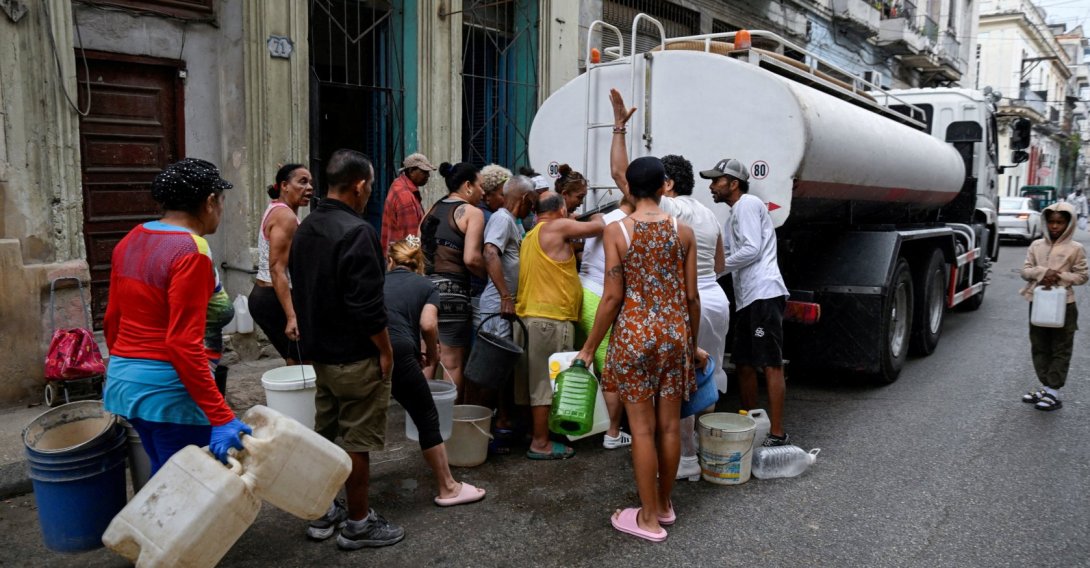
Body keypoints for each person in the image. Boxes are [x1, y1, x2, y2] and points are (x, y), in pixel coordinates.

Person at [575, 156, 705, 542]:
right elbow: (692, 297)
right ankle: (664, 506)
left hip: (633, 337)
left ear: (628, 189)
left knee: (643, 431)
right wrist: (692, 346)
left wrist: (589, 347)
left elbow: (613, 296)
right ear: (665, 185)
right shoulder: (683, 232)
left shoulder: (618, 231)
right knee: (669, 426)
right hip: (673, 336)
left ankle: (646, 519)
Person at [609, 89, 730, 478]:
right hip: (717, 300)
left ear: (668, 184)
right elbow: (721, 262)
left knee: (672, 399)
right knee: (704, 380)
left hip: (679, 310)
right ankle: (702, 455)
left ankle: (686, 463)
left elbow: (620, 177)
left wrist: (619, 129)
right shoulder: (709, 216)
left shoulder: (670, 210)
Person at [103, 158, 251, 474]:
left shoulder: (132, 237)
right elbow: (183, 343)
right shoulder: (191, 251)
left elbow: (112, 319)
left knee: (165, 479)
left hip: (125, 384)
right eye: (221, 200)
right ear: (210, 202)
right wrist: (221, 415)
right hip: (169, 391)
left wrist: (129, 368)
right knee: (188, 491)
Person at [289, 149, 403, 550]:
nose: (370, 192)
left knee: (327, 433)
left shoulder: (307, 228)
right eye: (370, 185)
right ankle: (358, 522)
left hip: (321, 354)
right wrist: (385, 350)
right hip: (355, 356)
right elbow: (367, 306)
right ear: (358, 185)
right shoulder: (357, 232)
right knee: (357, 441)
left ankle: (323, 513)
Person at [384, 236, 487, 506]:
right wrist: (432, 351)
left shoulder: (378, 283)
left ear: (390, 261)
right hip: (402, 351)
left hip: (370, 350)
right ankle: (448, 487)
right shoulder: (425, 284)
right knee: (426, 415)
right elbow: (428, 324)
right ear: (418, 263)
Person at [701, 156, 791, 446]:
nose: (712, 186)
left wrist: (719, 269)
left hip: (764, 293)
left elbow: (751, 250)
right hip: (747, 299)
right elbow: (722, 254)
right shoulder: (732, 215)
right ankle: (751, 423)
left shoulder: (748, 205)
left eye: (717, 181)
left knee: (770, 363)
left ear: (734, 183)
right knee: (743, 362)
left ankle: (777, 433)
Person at [515, 191, 605, 460]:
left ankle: (534, 432)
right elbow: (599, 226)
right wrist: (593, 215)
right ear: (562, 209)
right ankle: (540, 443)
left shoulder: (531, 233)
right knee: (545, 384)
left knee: (530, 383)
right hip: (550, 319)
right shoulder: (559, 226)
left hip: (527, 317)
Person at [421, 162, 487, 399]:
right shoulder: (472, 213)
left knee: (427, 360)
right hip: (452, 294)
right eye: (481, 186)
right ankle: (451, 427)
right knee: (452, 365)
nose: (483, 192)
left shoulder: (432, 209)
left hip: (424, 291)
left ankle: (422, 425)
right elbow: (471, 259)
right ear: (468, 186)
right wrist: (490, 276)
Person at [1019, 202, 1088, 411]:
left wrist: (1058, 276)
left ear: (1069, 224)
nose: (1055, 226)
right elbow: (1025, 270)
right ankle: (1046, 386)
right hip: (1039, 302)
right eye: (1051, 222)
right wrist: (1042, 273)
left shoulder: (1075, 249)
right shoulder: (1036, 246)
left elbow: (1082, 275)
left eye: (1060, 222)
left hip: (1064, 304)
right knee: (1040, 345)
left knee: (1061, 346)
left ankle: (1053, 391)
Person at [249, 164, 313, 364]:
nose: (310, 187)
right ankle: (302, 395)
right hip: (274, 298)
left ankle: (299, 394)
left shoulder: (278, 208)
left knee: (294, 355)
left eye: (310, 182)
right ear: (285, 185)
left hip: (267, 296)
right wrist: (291, 316)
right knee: (302, 357)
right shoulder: (285, 216)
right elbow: (277, 269)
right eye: (302, 182)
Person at [381, 152, 436, 253]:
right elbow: (410, 238)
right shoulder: (405, 196)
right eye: (424, 172)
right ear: (411, 171)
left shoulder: (398, 184)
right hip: (404, 258)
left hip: (394, 254)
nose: (428, 175)